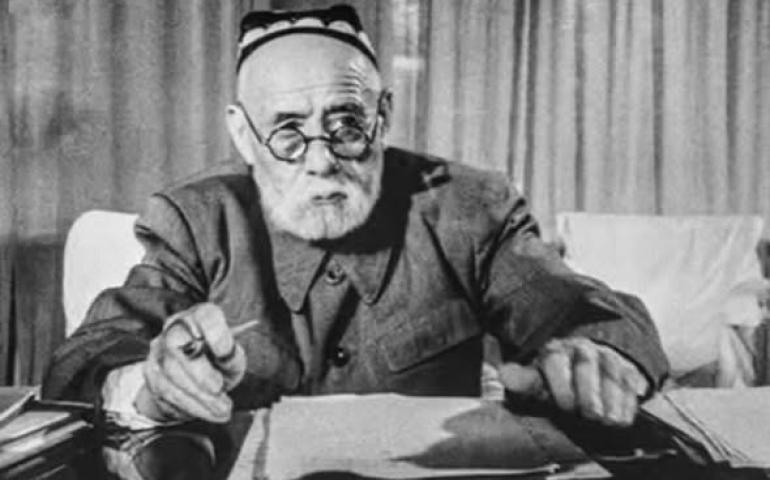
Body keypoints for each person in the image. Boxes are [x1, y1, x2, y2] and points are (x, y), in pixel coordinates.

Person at [42, 4, 667, 429]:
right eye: (287, 132)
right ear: (243, 135)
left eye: (346, 125)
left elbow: (576, 307)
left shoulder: (470, 207)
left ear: (383, 117)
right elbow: (88, 356)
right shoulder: (197, 218)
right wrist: (150, 383)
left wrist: (596, 356)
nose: (321, 161)